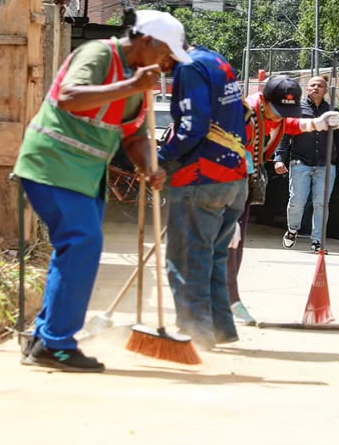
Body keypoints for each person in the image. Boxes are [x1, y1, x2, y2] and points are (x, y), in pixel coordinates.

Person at [12, 10, 188, 372]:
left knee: (75, 249)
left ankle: (45, 338)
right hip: (51, 166)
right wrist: (132, 86)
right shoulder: (99, 54)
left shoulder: (139, 82)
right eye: (165, 53)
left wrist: (149, 167)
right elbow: (69, 96)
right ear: (147, 41)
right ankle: (57, 343)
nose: (167, 63)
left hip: (84, 176)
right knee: (83, 243)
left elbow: (134, 136)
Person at [226, 76, 339, 324]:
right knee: (222, 246)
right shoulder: (242, 115)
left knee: (237, 246)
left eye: (286, 111)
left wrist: (318, 124)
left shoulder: (273, 115)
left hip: (244, 182)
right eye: (277, 110)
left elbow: (290, 125)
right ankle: (212, 304)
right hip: (222, 185)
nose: (280, 116)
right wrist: (226, 210)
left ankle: (230, 301)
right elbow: (224, 158)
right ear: (264, 100)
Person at [158, 41, 250, 350]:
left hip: (202, 177)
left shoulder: (188, 66)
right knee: (212, 257)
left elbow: (192, 126)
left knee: (186, 259)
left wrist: (161, 157)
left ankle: (194, 336)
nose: (155, 67)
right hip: (234, 179)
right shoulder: (215, 59)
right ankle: (219, 329)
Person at [275, 76, 339, 252]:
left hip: (326, 165)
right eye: (312, 85)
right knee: (297, 201)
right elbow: (284, 135)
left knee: (321, 203)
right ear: (307, 89)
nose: (316, 88)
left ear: (326, 90)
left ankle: (317, 240)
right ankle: (293, 229)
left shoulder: (333, 112)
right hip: (300, 161)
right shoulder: (296, 109)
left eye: (320, 86)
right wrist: (279, 159)